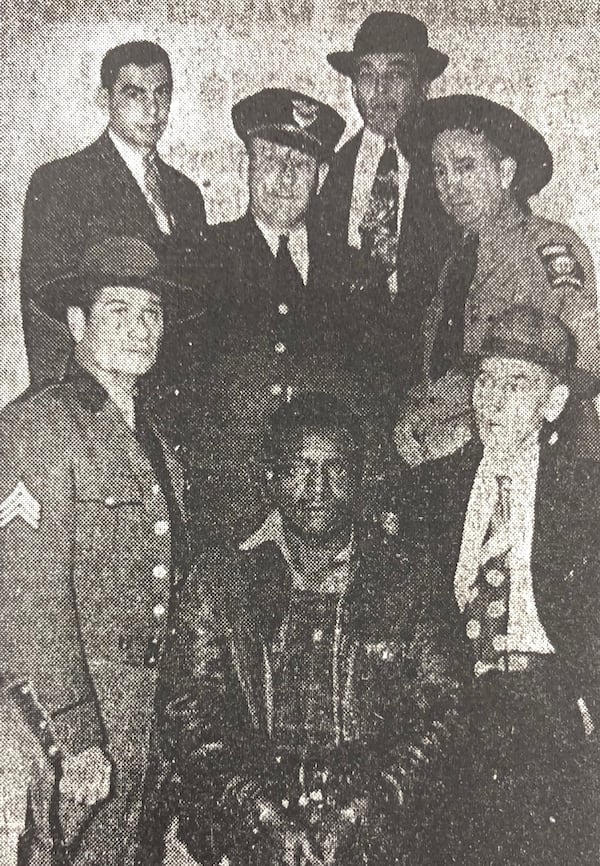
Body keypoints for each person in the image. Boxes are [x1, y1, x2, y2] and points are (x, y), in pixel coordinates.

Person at [160, 393, 462, 865]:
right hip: (245, 832)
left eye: (336, 468)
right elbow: (190, 712)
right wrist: (258, 812)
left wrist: (366, 808)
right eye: (301, 467)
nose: (318, 485)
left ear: (359, 479)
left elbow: (444, 710)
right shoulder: (220, 582)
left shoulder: (410, 580)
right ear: (272, 479)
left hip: (377, 835)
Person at [0, 236, 190, 866]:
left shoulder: (159, 443)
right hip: (75, 726)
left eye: (151, 313)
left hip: (146, 721)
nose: (139, 329)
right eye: (118, 311)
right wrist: (78, 735)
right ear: (78, 322)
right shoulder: (38, 428)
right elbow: (29, 602)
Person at [394, 306, 600, 864]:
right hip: (448, 705)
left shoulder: (584, 497)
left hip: (545, 709)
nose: (491, 399)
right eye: (484, 380)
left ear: (552, 403)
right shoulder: (433, 488)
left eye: (515, 384)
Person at [172, 88, 368, 535]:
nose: (283, 178)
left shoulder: (358, 275)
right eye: (270, 160)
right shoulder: (199, 262)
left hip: (330, 523)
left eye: (299, 165)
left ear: (320, 175)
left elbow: (373, 400)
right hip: (227, 514)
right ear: (248, 166)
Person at [394, 94, 600, 464]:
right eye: (439, 171)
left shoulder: (547, 249)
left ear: (505, 173)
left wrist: (471, 430)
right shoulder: (455, 265)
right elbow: (443, 369)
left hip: (538, 464)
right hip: (451, 462)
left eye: (465, 166)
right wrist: (413, 418)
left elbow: (581, 368)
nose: (449, 186)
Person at [21, 40, 208, 385]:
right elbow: (44, 316)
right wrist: (66, 414)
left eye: (161, 93)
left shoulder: (187, 195)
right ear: (104, 99)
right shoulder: (61, 182)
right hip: (97, 408)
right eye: (134, 94)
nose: (152, 110)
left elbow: (193, 316)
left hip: (173, 408)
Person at [314, 12, 457, 388]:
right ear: (353, 87)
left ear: (423, 84)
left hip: (429, 377)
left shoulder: (447, 171)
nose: (380, 91)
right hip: (347, 376)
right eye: (366, 75)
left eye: (396, 74)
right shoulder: (331, 169)